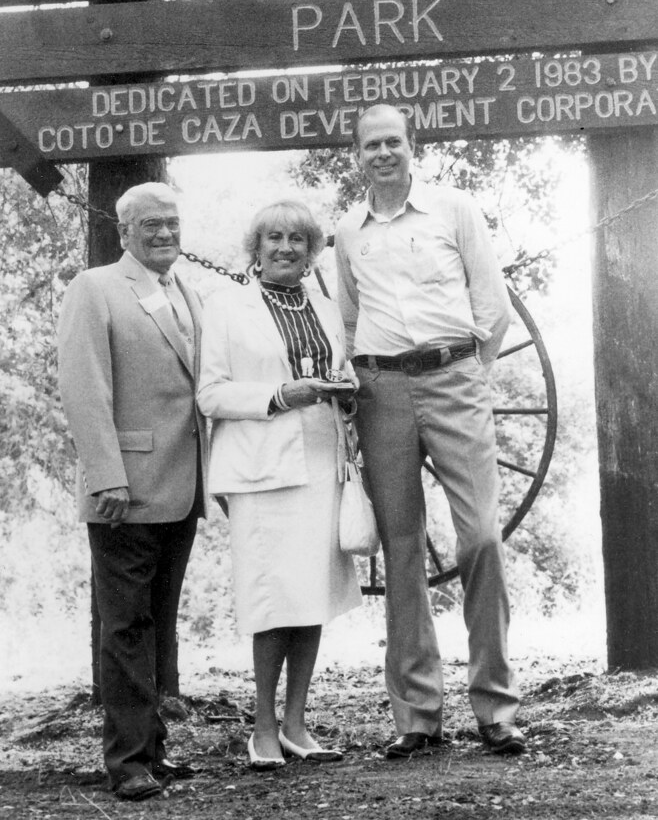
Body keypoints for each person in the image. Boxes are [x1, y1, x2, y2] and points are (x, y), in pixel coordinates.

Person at [334, 104, 525, 758]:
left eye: (393, 141)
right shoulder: (348, 232)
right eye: (370, 144)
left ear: (412, 147)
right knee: (402, 550)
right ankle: (417, 716)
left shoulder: (454, 209)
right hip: (381, 391)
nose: (382, 152)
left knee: (482, 539)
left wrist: (470, 372)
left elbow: (491, 305)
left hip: (455, 379)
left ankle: (495, 706)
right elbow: (351, 321)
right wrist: (365, 385)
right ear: (357, 155)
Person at [197, 199, 362, 770]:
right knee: (272, 600)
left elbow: (339, 373)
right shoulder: (226, 306)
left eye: (298, 238)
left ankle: (296, 723)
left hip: (320, 460)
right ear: (256, 247)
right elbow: (210, 393)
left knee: (311, 591)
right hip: (261, 467)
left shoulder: (323, 304)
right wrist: (276, 396)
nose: (286, 247)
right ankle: (262, 728)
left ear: (311, 249)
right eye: (274, 237)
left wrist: (344, 389)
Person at [57, 181, 207, 801]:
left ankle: (153, 750)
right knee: (124, 628)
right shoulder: (94, 288)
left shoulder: (185, 290)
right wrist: (106, 474)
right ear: (125, 233)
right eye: (151, 225)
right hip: (125, 489)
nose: (165, 233)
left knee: (158, 623)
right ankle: (127, 763)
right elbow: (83, 386)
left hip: (182, 485)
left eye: (172, 222)